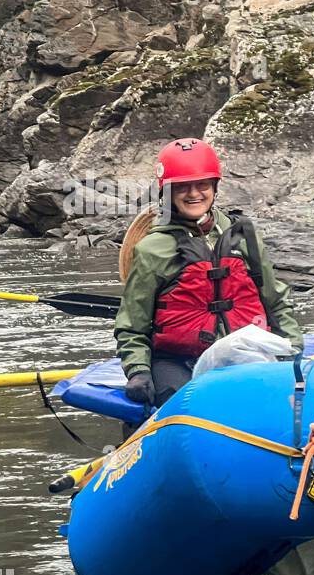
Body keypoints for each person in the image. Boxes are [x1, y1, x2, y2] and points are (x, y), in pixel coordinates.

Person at [115, 137, 304, 408]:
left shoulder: (243, 236)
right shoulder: (151, 250)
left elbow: (275, 301)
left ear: (214, 187)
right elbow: (133, 324)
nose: (194, 194)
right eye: (182, 187)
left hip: (244, 353)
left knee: (274, 401)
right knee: (182, 403)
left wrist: (292, 348)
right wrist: (138, 371)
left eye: (202, 185)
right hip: (178, 359)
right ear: (167, 192)